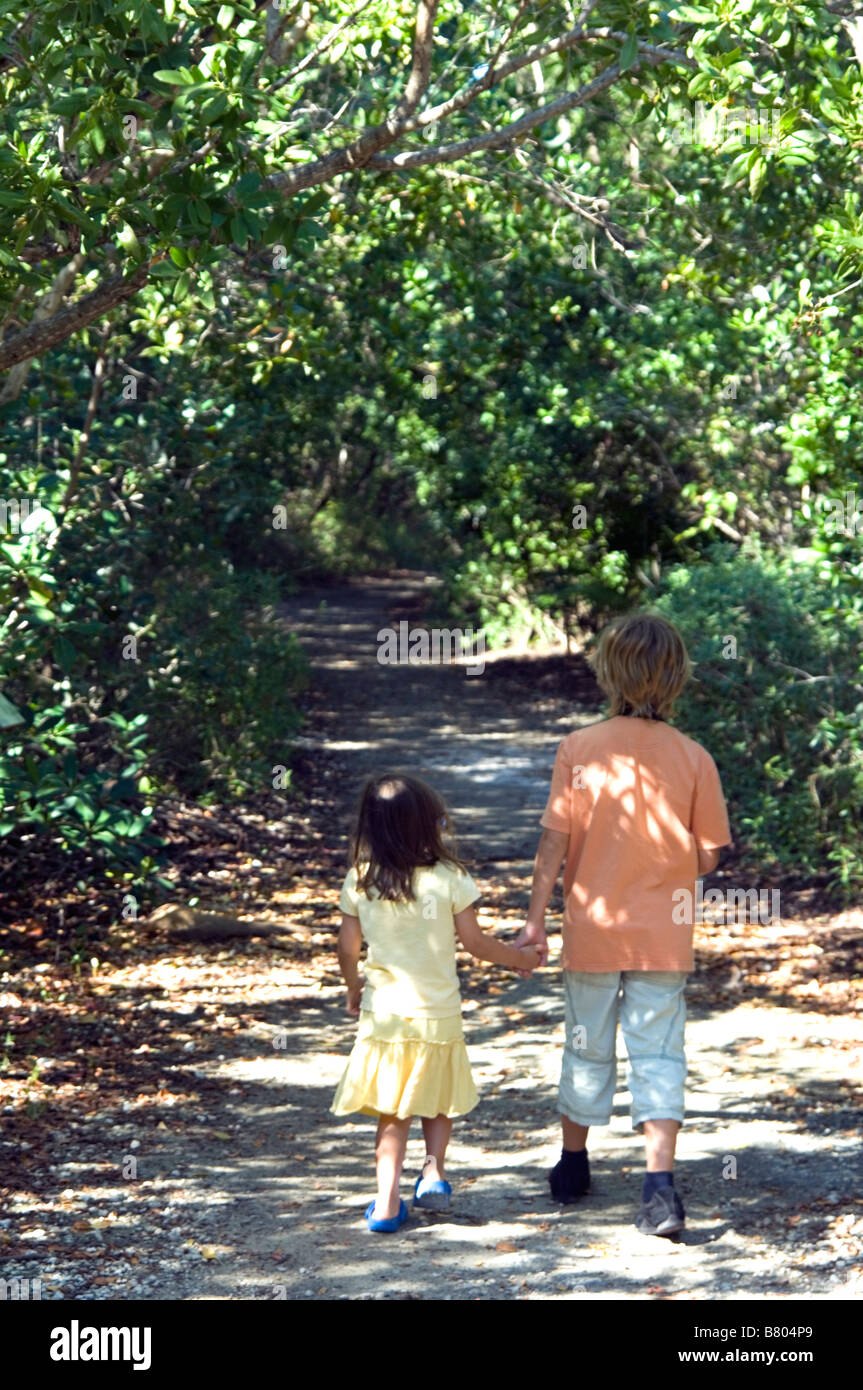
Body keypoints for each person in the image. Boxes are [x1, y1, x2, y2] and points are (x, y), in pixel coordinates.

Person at [516, 613, 731, 1236]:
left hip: (592, 928)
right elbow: (710, 854)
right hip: (664, 932)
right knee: (659, 1050)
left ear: (608, 672)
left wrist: (535, 923)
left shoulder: (578, 748)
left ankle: (573, 1163)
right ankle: (659, 1189)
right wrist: (666, 856)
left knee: (587, 1040)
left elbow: (553, 845)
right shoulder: (694, 757)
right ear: (678, 678)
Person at [332, 773, 541, 1232]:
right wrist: (520, 957)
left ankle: (386, 1203)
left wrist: (352, 985)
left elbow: (348, 947)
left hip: (384, 1012)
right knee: (437, 1096)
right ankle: (433, 1173)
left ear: (370, 827)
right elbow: (477, 944)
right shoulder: (450, 878)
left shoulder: (361, 880)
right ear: (429, 824)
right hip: (438, 1011)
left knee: (394, 1108)